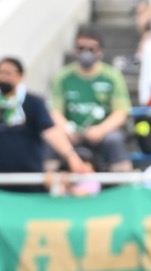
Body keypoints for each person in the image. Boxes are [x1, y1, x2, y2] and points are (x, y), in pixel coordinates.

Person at [0, 57, 91, 193]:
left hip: (30, 179)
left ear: (20, 76)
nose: (3, 77)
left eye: (8, 73)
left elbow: (50, 131)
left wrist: (71, 156)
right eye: (0, 73)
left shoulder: (34, 103)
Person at [49, 27, 133, 173]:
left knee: (115, 139)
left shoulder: (112, 76)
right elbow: (54, 111)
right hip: (71, 133)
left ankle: (123, 185)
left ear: (100, 51)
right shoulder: (63, 77)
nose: (85, 53)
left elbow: (121, 112)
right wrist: (68, 129)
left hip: (102, 134)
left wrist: (100, 130)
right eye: (81, 48)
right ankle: (49, 186)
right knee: (52, 137)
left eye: (91, 49)